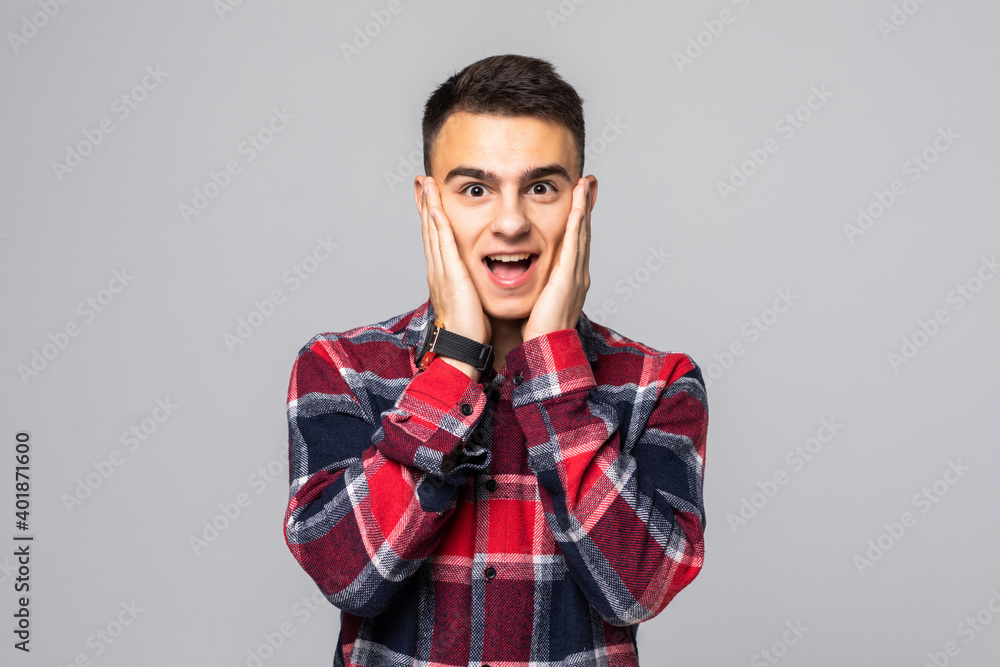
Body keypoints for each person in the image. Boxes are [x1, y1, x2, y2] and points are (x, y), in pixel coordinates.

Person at [283, 53, 709, 667]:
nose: (510, 223)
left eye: (540, 188)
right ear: (429, 203)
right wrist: (454, 362)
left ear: (581, 203)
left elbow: (639, 587)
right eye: (475, 189)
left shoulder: (659, 384)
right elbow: (349, 574)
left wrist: (553, 371)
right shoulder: (341, 369)